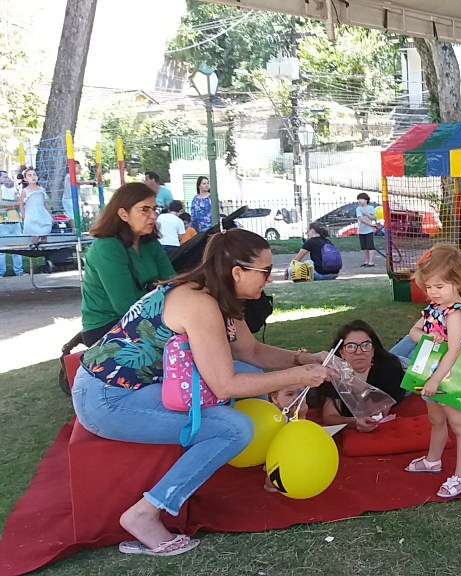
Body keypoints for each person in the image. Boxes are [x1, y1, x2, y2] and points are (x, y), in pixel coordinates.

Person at [72, 227, 338, 557]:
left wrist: (303, 358)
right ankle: (145, 513)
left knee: (251, 376)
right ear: (237, 272)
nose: (269, 279)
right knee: (235, 429)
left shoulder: (217, 294)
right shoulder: (199, 303)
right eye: (265, 271)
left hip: (124, 386)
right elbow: (224, 384)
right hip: (106, 398)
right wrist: (297, 375)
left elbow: (251, 352)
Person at [402, 244, 461, 499]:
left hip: (453, 376)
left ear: (457, 282)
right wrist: (429, 336)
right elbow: (413, 332)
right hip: (431, 373)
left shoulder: (457, 314)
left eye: (439, 286)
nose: (432, 292)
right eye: (429, 287)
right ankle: (433, 460)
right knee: (436, 420)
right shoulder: (435, 309)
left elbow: (454, 350)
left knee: (458, 424)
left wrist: (435, 379)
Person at [80, 183, 176, 345]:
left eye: (155, 209)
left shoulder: (149, 242)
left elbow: (172, 282)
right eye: (145, 209)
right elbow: (125, 306)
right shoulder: (107, 247)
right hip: (106, 328)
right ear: (123, 214)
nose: (153, 216)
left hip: (144, 316)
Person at [319, 320, 406, 430]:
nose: (359, 352)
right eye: (351, 346)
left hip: (403, 366)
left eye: (365, 345)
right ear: (341, 353)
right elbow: (329, 417)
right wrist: (354, 422)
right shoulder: (332, 373)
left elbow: (378, 414)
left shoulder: (388, 369)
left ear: (373, 350)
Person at [0, 170, 24, 277]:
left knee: (17, 247)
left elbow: (19, 201)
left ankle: (19, 271)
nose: (7, 179)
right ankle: (1, 272)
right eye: (4, 177)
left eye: (7, 177)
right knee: (2, 249)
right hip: (2, 222)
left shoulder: (13, 188)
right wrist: (16, 204)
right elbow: (1, 204)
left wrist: (12, 204)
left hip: (15, 220)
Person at [19, 168, 52, 245]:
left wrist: (50, 214)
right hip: (32, 214)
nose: (33, 177)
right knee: (35, 234)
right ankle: (33, 249)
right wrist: (23, 215)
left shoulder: (41, 189)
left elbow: (45, 203)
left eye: (34, 175)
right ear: (25, 179)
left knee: (44, 233)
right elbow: (21, 204)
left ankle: (45, 251)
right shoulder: (25, 191)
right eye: (30, 175)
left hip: (42, 213)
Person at [62, 160, 84, 233]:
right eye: (78, 167)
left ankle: (77, 230)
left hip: (74, 199)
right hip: (68, 199)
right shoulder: (69, 176)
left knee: (77, 214)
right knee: (72, 215)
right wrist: (90, 181)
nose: (80, 169)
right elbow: (77, 182)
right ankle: (75, 230)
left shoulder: (74, 176)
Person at [355, 192, 377, 267]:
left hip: (369, 230)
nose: (359, 201)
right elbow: (361, 219)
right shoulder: (358, 209)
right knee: (364, 247)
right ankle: (366, 261)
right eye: (358, 199)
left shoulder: (371, 208)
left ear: (366, 200)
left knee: (370, 246)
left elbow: (374, 217)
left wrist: (367, 214)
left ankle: (371, 261)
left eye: (361, 199)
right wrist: (371, 224)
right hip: (361, 230)